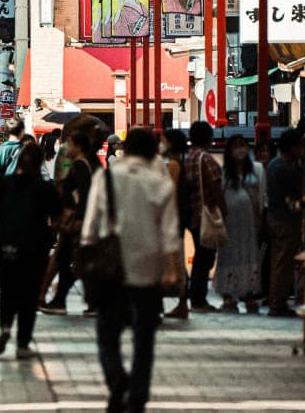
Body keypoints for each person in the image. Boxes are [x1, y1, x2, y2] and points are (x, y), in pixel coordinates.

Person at [82, 127, 183, 413]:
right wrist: (172, 269)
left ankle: (117, 380)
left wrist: (87, 257)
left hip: (110, 268)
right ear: (153, 151)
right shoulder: (159, 182)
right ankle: (138, 398)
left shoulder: (106, 177)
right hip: (148, 270)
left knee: (107, 333)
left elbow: (90, 227)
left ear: (125, 149)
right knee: (144, 336)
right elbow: (170, 232)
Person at [0, 142, 61, 358]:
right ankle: (22, 343)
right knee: (29, 292)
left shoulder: (5, 183)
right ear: (39, 164)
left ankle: (6, 327)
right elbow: (56, 213)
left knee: (7, 287)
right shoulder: (45, 187)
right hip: (34, 245)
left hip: (5, 242)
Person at [41, 115, 97, 315]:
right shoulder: (82, 161)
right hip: (74, 219)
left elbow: (81, 192)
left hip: (74, 219)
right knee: (70, 259)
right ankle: (65, 299)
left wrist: (77, 217)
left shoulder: (79, 164)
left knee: (68, 259)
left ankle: (58, 299)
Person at [215, 135, 265, 314]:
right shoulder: (224, 171)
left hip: (249, 220)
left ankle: (249, 293)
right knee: (228, 254)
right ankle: (228, 294)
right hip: (229, 220)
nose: (240, 150)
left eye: (243, 145)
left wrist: (260, 219)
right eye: (236, 146)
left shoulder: (257, 169)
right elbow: (218, 195)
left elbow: (261, 196)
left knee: (249, 254)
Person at [182, 121, 225, 313]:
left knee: (200, 255)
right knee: (206, 256)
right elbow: (216, 186)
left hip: (191, 213)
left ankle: (196, 296)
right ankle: (199, 299)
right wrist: (223, 209)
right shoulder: (205, 158)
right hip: (205, 213)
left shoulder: (188, 157)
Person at [265, 129, 305, 317]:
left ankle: (276, 300)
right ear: (292, 148)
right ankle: (278, 303)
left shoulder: (273, 165)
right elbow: (296, 196)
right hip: (286, 219)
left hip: (274, 217)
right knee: (283, 263)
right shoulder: (288, 169)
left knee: (277, 261)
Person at [161, 129, 191, 319]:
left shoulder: (173, 165)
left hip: (172, 219)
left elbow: (168, 193)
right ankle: (181, 303)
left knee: (176, 260)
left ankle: (181, 301)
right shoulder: (180, 163)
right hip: (178, 218)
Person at [0, 118, 25, 185]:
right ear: (22, 131)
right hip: (23, 191)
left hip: (3, 191)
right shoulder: (27, 150)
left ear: (6, 132)